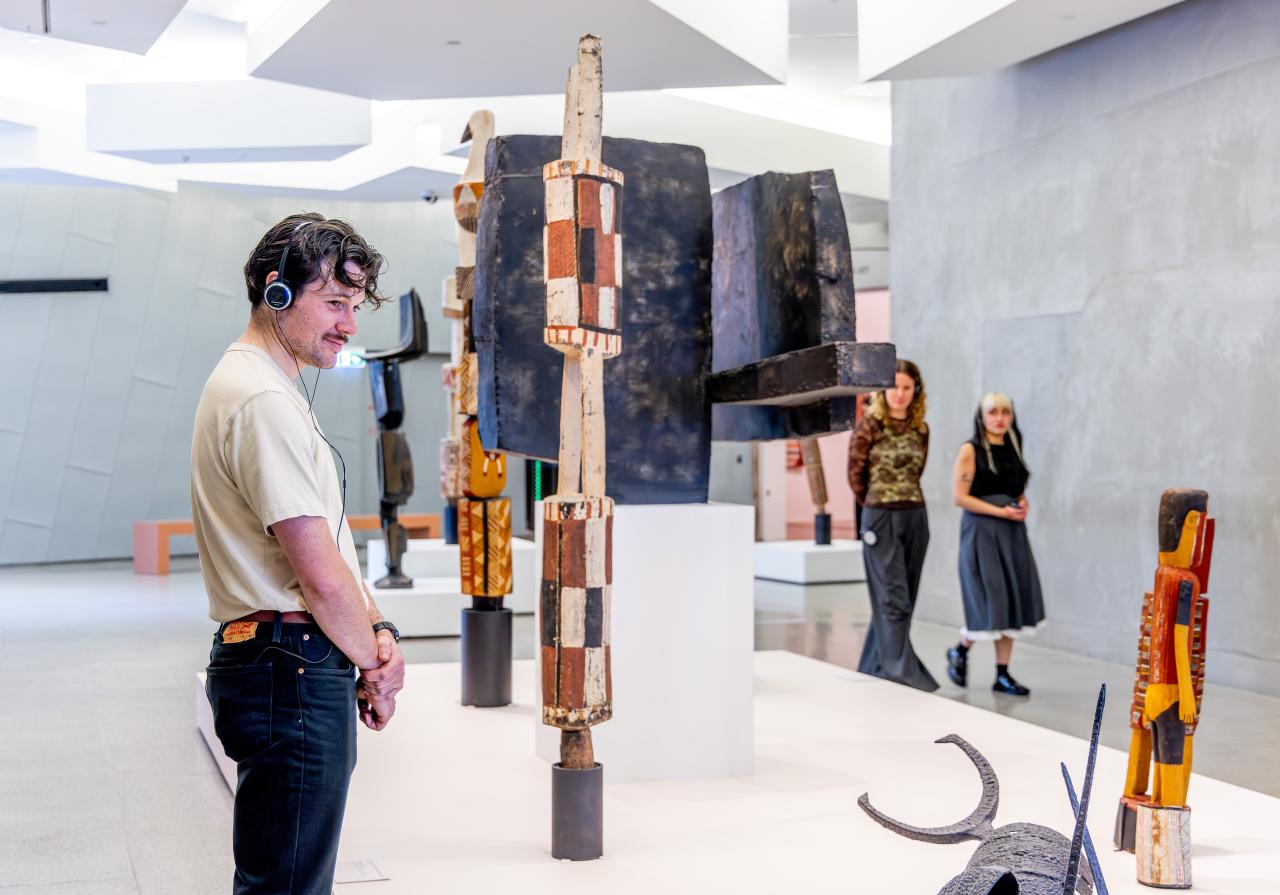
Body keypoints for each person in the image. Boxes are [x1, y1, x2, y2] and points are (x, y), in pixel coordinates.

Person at [191, 213, 407, 894]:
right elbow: (316, 573)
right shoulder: (260, 398)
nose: (349, 324)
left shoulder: (268, 387)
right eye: (335, 303)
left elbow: (329, 548)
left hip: (288, 662)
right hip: (290, 667)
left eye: (355, 305)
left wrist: (378, 633)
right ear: (275, 292)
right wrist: (377, 663)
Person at [848, 359, 938, 691]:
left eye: (906, 388)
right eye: (894, 387)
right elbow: (855, 477)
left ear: (916, 392)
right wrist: (875, 507)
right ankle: (901, 672)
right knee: (892, 597)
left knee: (905, 596)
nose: (899, 394)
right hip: (880, 516)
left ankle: (873, 666)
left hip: (914, 514)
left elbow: (918, 470)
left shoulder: (921, 429)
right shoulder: (869, 426)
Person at [947, 392, 1044, 696]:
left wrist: (1022, 504)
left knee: (1013, 600)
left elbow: (1015, 487)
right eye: (993, 412)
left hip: (1012, 532)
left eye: (1005, 412)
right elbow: (960, 498)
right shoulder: (970, 450)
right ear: (982, 416)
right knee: (990, 601)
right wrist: (1000, 511)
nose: (1000, 418)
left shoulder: (1014, 444)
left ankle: (1002, 674)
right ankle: (960, 649)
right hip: (982, 532)